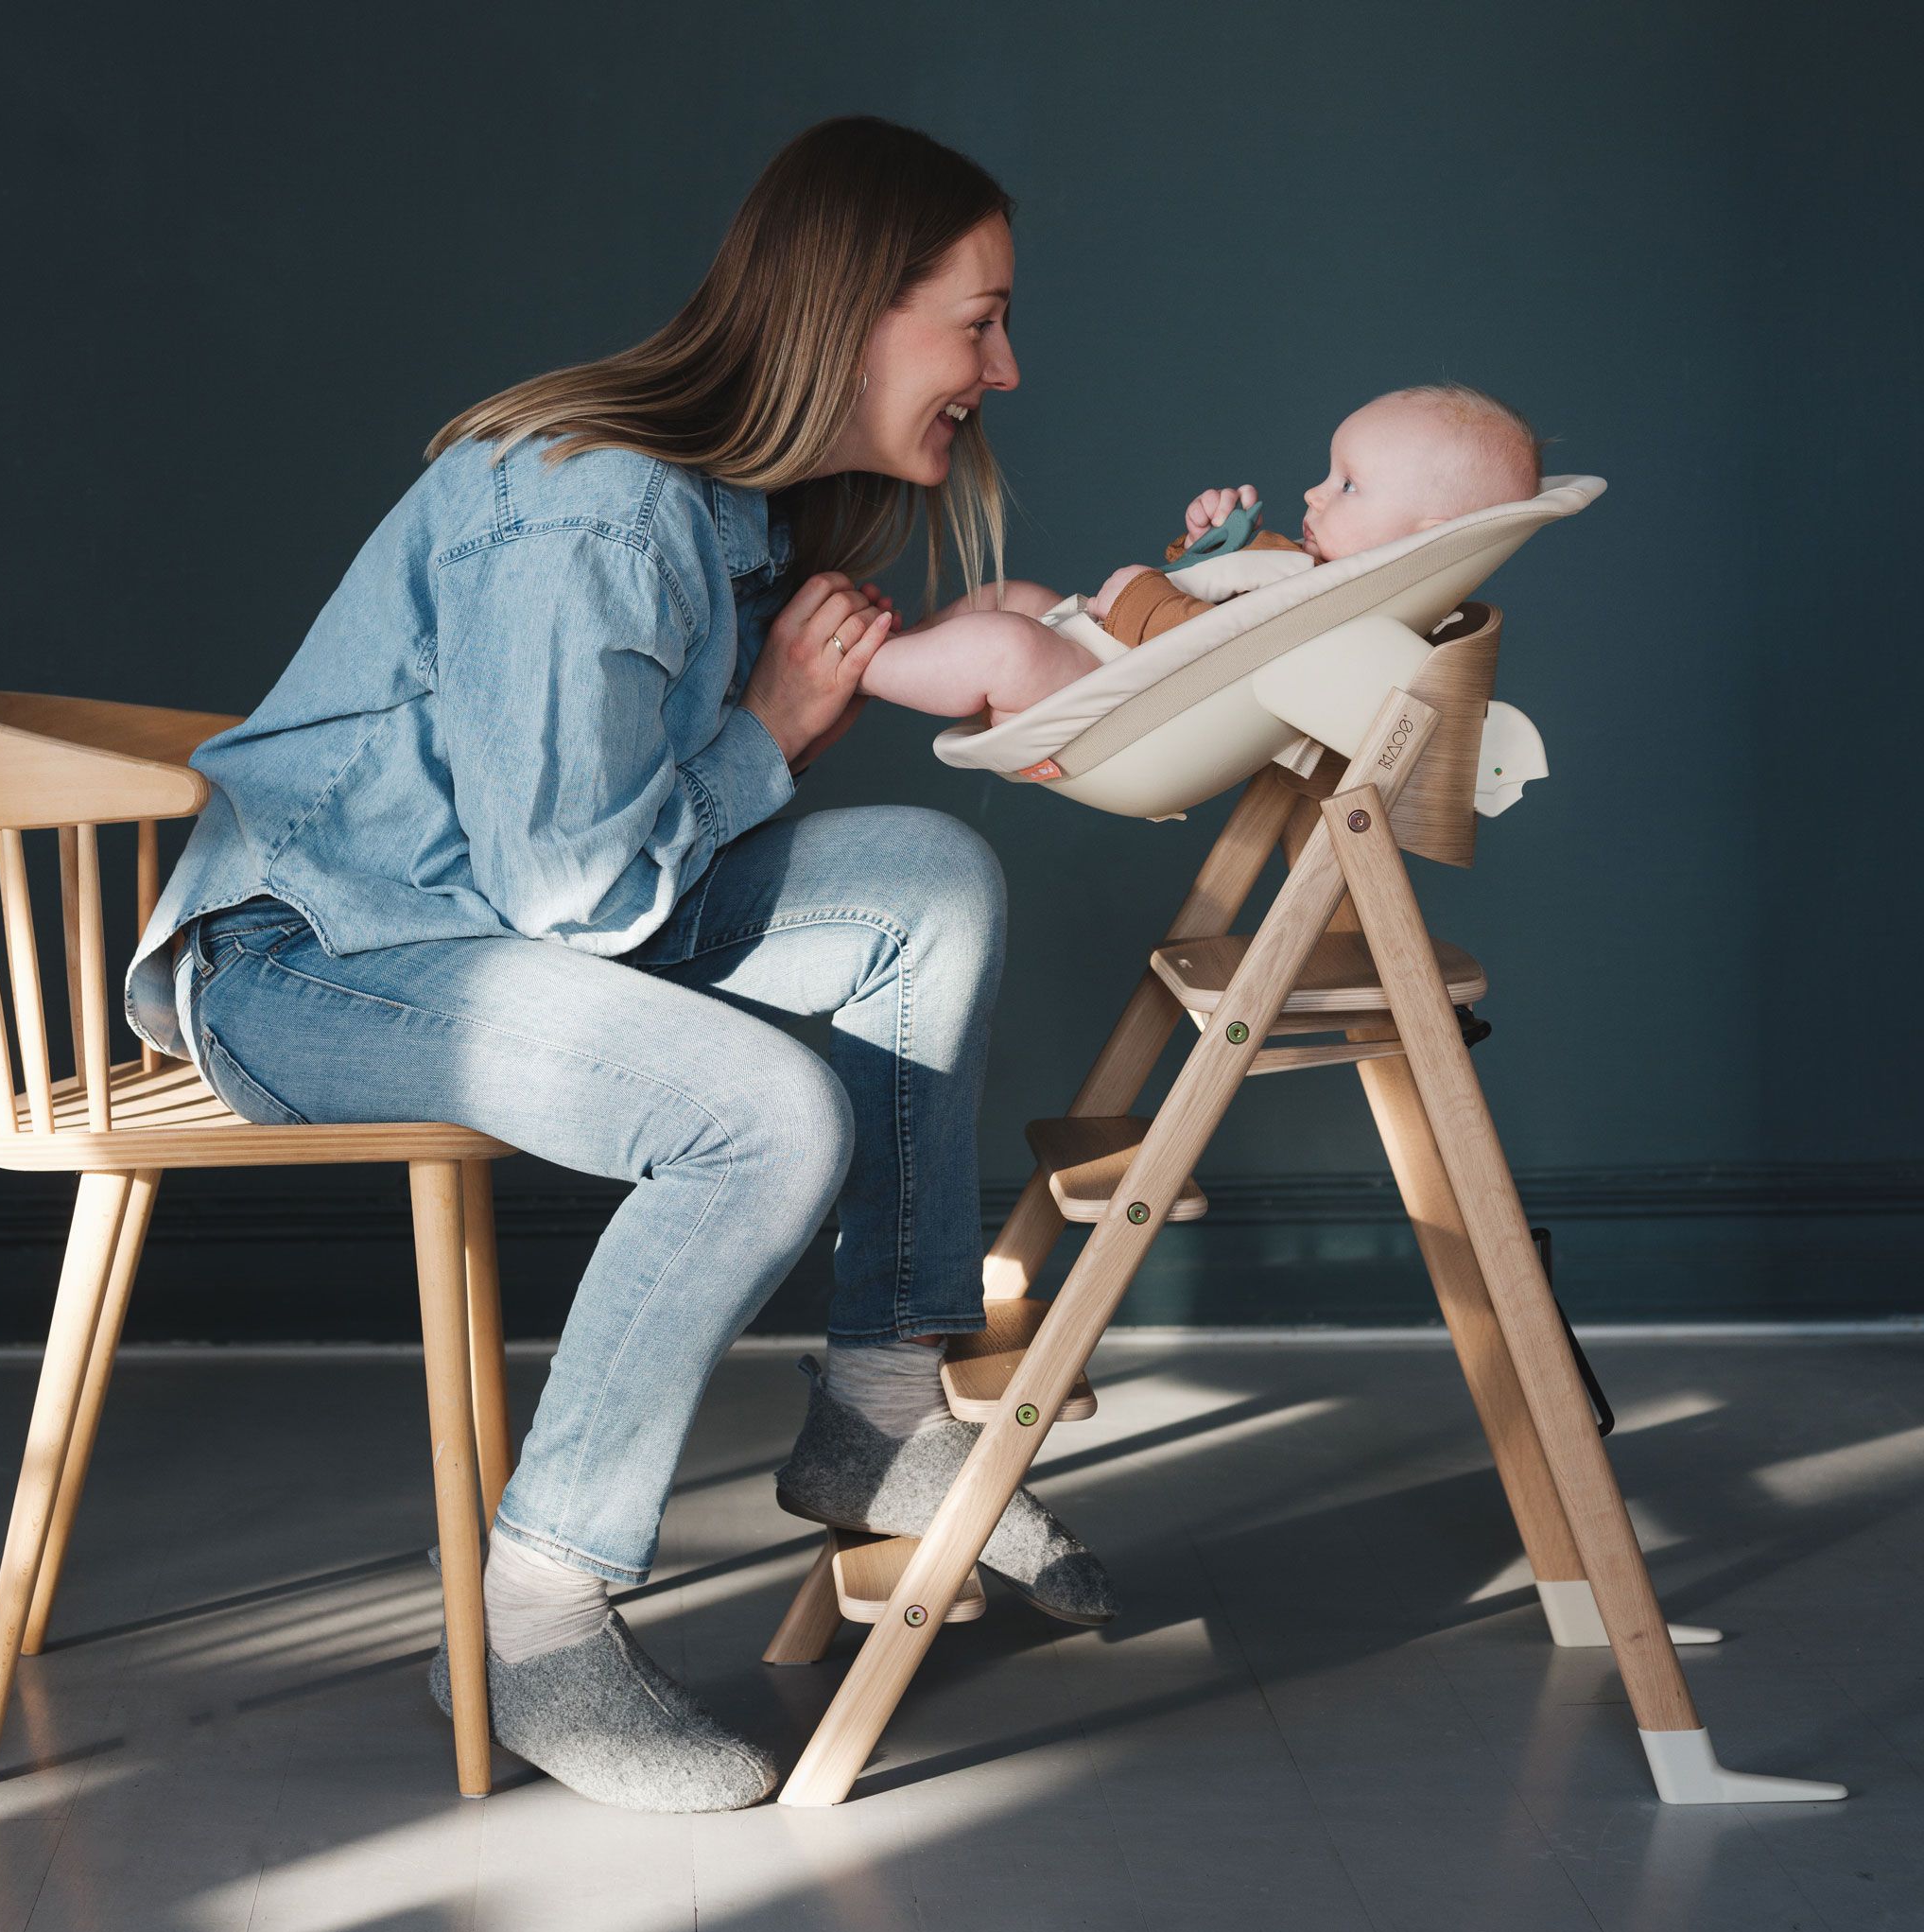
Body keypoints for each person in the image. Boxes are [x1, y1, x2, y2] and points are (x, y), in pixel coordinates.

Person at [120, 116, 1115, 1814]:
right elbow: (574, 889)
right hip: (314, 960)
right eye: (980, 320)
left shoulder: (733, 515)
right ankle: (535, 1624)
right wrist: (772, 729)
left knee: (926, 882)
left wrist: (969, 651)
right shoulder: (593, 511)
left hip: (482, 927)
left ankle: (879, 1409)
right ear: (854, 311)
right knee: (761, 1114)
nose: (1004, 368)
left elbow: (607, 865)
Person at [854, 384, 1543, 723]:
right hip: (1103, 647)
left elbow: (1216, 654)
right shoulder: (1304, 567)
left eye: (1348, 485)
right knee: (1014, 599)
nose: (1314, 492)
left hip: (1116, 701)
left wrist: (1138, 597)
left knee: (1006, 646)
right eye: (1329, 473)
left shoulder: (1334, 618)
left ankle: (851, 665)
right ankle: (893, 645)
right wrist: (1209, 540)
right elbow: (1202, 587)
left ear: (1427, 536)